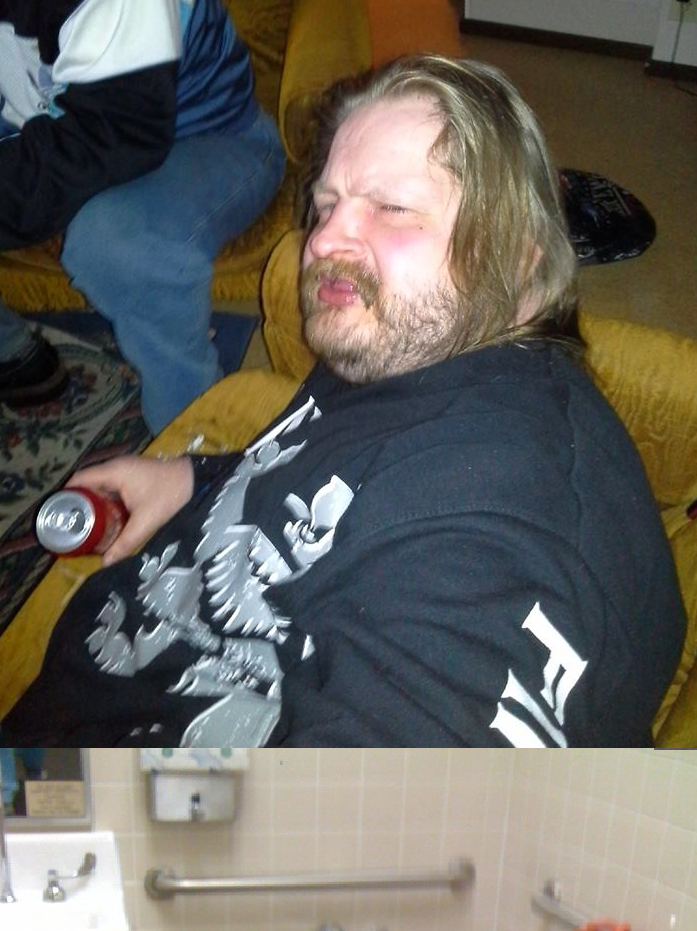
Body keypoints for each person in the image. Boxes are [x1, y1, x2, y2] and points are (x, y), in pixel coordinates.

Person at [5, 55, 685, 748]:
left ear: (518, 258)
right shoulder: (419, 340)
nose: (324, 238)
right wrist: (194, 479)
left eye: (392, 208)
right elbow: (334, 466)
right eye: (327, 204)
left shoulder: (504, 535)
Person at [0, 0, 284, 431]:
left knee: (118, 245)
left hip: (206, 133)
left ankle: (197, 440)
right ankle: (15, 354)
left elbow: (119, 132)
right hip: (44, 115)